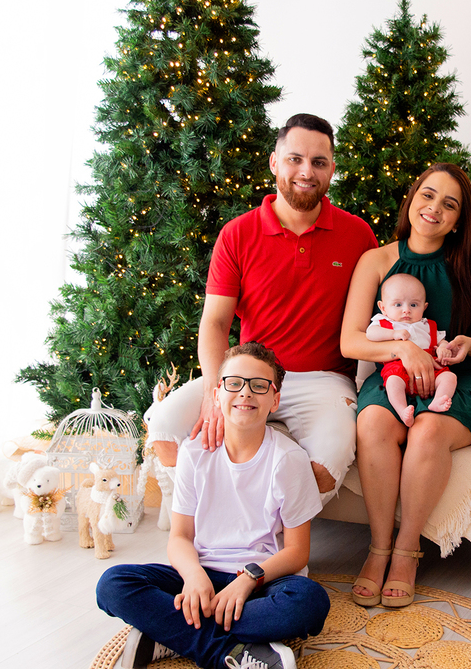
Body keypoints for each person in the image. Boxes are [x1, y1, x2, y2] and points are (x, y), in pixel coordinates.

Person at [146, 114, 378, 503]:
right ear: (274, 162)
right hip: (250, 371)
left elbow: (374, 317)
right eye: (295, 159)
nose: (306, 171)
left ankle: (266, 541)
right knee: (165, 429)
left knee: (329, 462)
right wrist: (213, 388)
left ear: (332, 170)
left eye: (319, 162)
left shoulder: (358, 235)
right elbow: (216, 321)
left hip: (325, 379)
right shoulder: (238, 233)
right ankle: (218, 525)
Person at [96, 342, 329, 669]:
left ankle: (171, 635)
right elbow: (179, 537)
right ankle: (229, 653)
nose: (245, 393)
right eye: (234, 383)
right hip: (201, 579)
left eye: (259, 385)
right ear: (217, 393)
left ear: (274, 400)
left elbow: (297, 553)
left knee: (309, 602)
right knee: (113, 585)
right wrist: (192, 577)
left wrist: (247, 580)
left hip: (259, 583)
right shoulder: (194, 453)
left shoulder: (288, 460)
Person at [340, 163, 471, 608]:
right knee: (375, 425)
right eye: (428, 195)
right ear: (412, 199)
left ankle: (406, 552)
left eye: (449, 203)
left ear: (460, 219)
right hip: (394, 373)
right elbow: (351, 341)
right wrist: (404, 349)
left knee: (428, 430)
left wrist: (469, 343)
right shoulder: (377, 261)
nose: (434, 208)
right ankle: (378, 548)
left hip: (460, 377)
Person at [366, 272, 457, 426]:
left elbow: (441, 341)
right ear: (383, 307)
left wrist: (443, 348)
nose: (406, 310)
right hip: (398, 365)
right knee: (393, 382)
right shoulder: (384, 322)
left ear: (424, 307)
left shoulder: (428, 325)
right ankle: (402, 410)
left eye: (413, 305)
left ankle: (438, 401)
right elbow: (370, 334)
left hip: (430, 365)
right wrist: (393, 334)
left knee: (450, 378)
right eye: (398, 304)